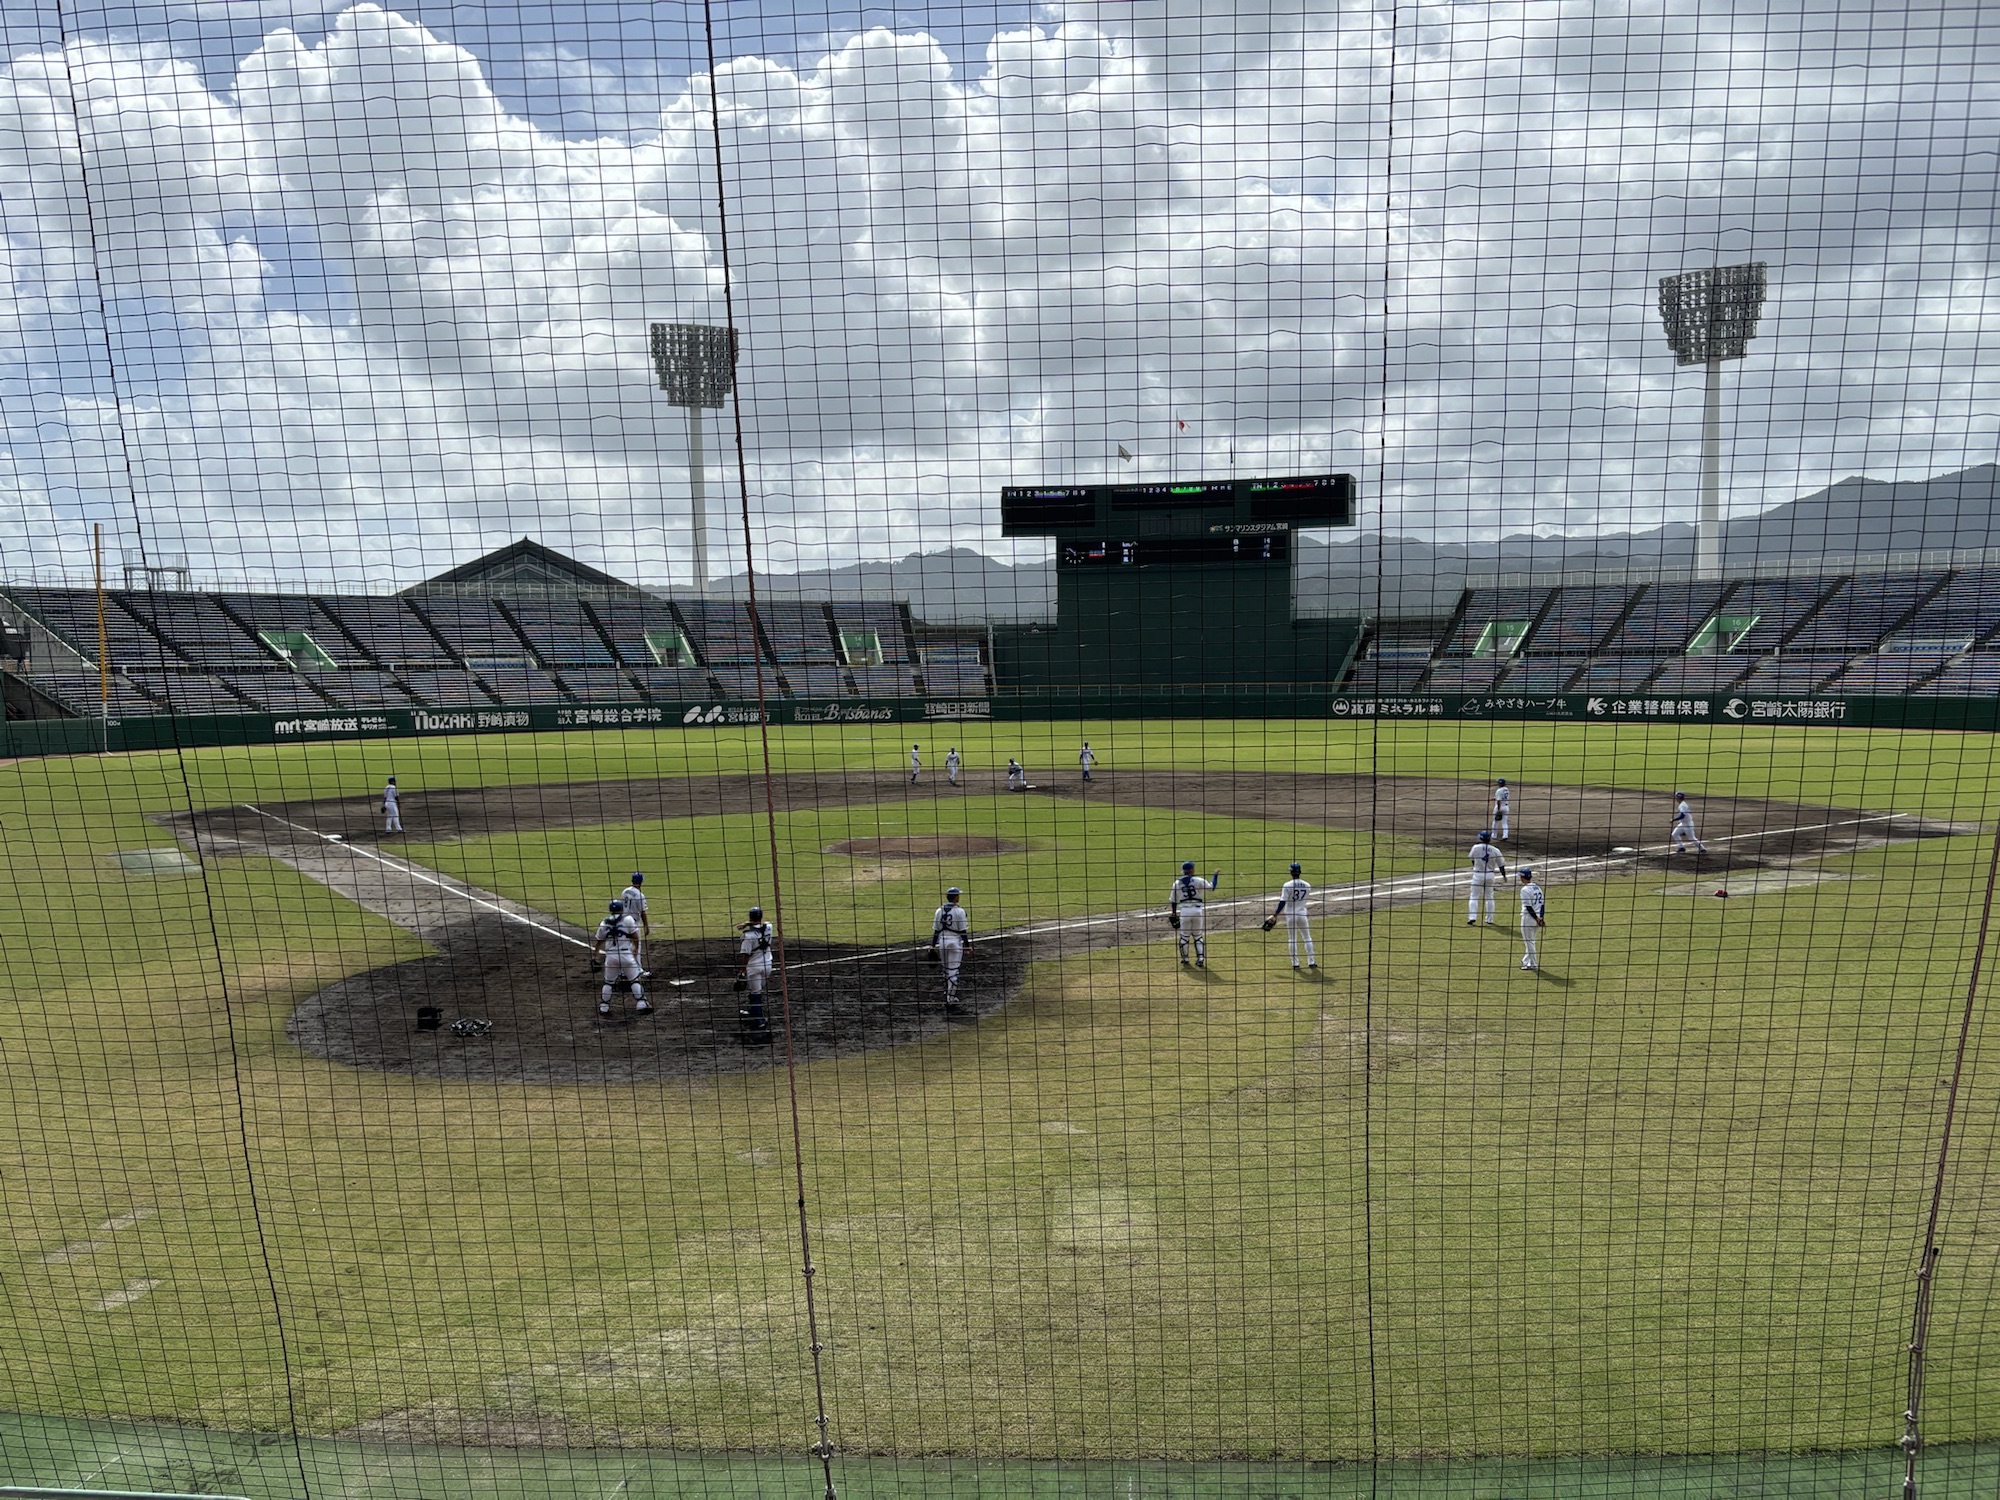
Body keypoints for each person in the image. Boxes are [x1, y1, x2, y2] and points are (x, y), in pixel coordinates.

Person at [592, 900, 651, 1017]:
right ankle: (641, 1004)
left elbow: (599, 941)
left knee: (608, 982)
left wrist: (595, 955)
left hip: (611, 956)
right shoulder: (628, 919)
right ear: (621, 909)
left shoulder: (604, 922)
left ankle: (604, 1007)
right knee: (634, 980)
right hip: (626, 955)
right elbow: (635, 936)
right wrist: (635, 948)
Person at [1168, 859, 1220, 967]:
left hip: (1185, 911)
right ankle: (1200, 959)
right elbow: (1212, 887)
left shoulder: (1177, 883)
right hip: (1197, 910)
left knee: (1184, 937)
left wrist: (1174, 913)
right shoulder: (1199, 880)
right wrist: (1215, 875)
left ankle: (1185, 959)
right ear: (1191, 869)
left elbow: (1173, 900)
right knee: (1198, 936)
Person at [1264, 861, 1316, 968]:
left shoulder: (1287, 885)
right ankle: (1311, 962)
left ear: (1291, 873)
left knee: (1292, 939)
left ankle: (1295, 963)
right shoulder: (1307, 885)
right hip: (1302, 914)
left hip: (1291, 915)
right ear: (1300, 872)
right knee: (1307, 938)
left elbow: (1283, 901)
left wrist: (1275, 914)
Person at [929, 886, 971, 1013]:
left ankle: (947, 993)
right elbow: (963, 931)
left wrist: (932, 945)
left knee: (946, 970)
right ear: (956, 897)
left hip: (942, 941)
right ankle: (950, 999)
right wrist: (967, 946)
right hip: (954, 942)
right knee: (954, 971)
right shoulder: (960, 911)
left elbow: (936, 930)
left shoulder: (939, 911)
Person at [736, 905, 775, 1033]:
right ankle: (753, 1011)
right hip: (768, 964)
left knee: (755, 993)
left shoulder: (748, 936)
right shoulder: (769, 927)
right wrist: (749, 923)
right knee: (757, 990)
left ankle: (759, 1022)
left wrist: (742, 970)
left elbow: (746, 955)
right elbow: (762, 924)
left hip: (754, 967)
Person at [1467, 830, 1507, 924]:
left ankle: (1472, 917)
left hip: (1477, 874)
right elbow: (1501, 865)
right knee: (1489, 897)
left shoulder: (1475, 847)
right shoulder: (1495, 850)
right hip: (1490, 875)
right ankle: (1490, 919)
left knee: (1474, 896)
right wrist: (1504, 875)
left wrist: (1476, 865)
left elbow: (1472, 859)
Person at [618, 871, 651, 974]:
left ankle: (623, 971)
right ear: (641, 882)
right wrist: (646, 925)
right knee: (637, 947)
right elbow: (642, 912)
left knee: (624, 946)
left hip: (622, 922)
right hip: (633, 924)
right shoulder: (640, 895)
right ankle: (638, 970)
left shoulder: (625, 891)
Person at [1517, 868, 1546, 971]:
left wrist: (1537, 918)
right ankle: (1525, 960)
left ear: (1522, 877)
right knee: (1531, 941)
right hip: (1537, 918)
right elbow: (1542, 904)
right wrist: (1541, 917)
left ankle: (1533, 964)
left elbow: (1528, 907)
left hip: (1528, 918)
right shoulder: (1537, 887)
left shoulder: (1524, 890)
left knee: (1529, 942)